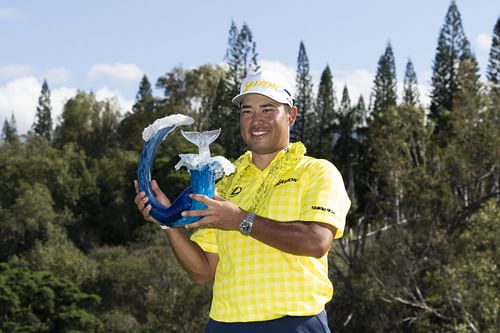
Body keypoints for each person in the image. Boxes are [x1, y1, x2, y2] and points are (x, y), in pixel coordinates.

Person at [134, 69, 351, 332]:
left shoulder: (317, 172)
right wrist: (168, 221)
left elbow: (316, 242)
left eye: (268, 109)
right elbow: (203, 272)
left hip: (295, 323)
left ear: (291, 115)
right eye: (247, 111)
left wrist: (240, 220)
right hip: (226, 325)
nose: (256, 120)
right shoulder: (224, 182)